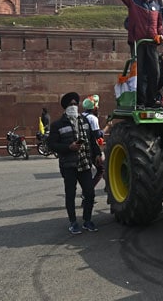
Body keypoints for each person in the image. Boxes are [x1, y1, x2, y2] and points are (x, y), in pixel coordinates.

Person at [48, 92, 103, 234]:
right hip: (69, 165)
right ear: (65, 107)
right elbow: (52, 144)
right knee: (70, 194)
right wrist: (68, 147)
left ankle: (87, 220)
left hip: (84, 163)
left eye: (75, 104)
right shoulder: (58, 125)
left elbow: (92, 140)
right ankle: (73, 222)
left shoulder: (84, 122)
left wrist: (97, 154)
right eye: (70, 104)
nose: (73, 106)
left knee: (90, 193)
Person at [117, 0, 163, 107]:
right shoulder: (134, 3)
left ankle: (151, 100)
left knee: (155, 73)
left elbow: (159, 24)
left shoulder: (156, 7)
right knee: (139, 73)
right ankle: (140, 102)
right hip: (137, 42)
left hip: (152, 43)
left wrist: (161, 34)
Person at [81, 95, 105, 188]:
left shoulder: (81, 116)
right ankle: (88, 190)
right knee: (101, 169)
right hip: (92, 148)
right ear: (94, 108)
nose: (98, 107)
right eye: (97, 106)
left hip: (82, 147)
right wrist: (107, 126)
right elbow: (97, 135)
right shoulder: (93, 118)